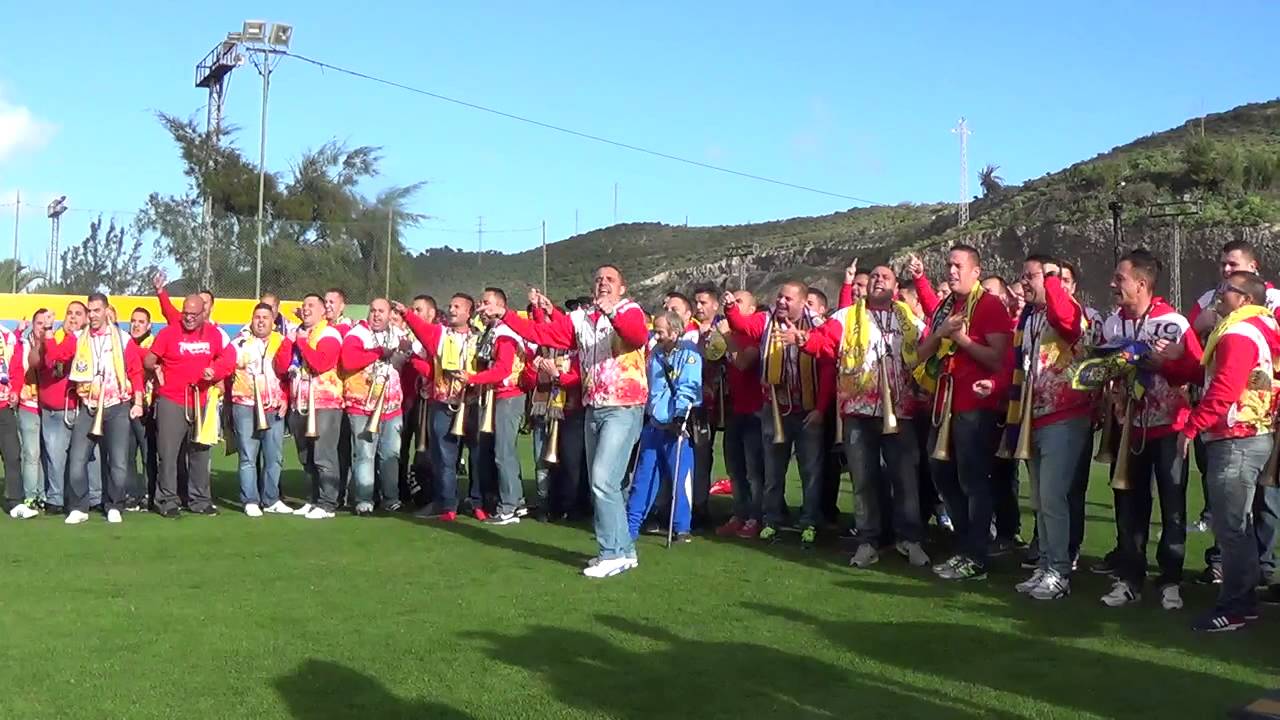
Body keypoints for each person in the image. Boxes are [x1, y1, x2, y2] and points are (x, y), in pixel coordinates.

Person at [491, 265, 650, 578]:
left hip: (624, 405)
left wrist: (612, 314)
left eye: (610, 280)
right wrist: (506, 315)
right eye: (599, 279)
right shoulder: (581, 319)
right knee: (609, 483)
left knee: (603, 480)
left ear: (622, 287)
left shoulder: (631, 310)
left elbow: (636, 336)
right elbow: (545, 333)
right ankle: (623, 551)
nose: (603, 283)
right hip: (594, 406)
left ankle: (609, 552)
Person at [785, 264, 929, 568]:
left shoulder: (909, 320)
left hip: (900, 413)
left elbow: (928, 348)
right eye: (874, 276)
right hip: (857, 411)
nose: (878, 280)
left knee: (905, 480)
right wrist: (804, 341)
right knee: (863, 480)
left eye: (885, 277)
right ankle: (868, 541)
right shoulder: (846, 316)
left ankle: (910, 539)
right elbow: (824, 343)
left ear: (896, 286)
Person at [1098, 248, 1198, 609]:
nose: (1113, 284)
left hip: (1170, 428)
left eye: (1119, 278)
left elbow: (1197, 372)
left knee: (1173, 508)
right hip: (1129, 431)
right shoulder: (1112, 324)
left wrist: (1167, 364)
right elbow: (1101, 368)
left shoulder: (1175, 324)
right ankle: (1129, 577)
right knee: (1128, 506)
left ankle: (1170, 579)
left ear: (1141, 284)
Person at [1179, 271, 1278, 631]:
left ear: (1245, 299)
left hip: (1236, 438)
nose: (1218, 295)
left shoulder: (1238, 333)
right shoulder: (1260, 329)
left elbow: (1223, 389)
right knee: (1241, 525)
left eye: (1226, 290)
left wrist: (1192, 426)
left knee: (1231, 526)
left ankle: (1234, 606)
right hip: (1251, 435)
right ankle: (1245, 601)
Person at [913, 244, 1013, 581]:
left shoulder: (990, 305)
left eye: (958, 265)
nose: (951, 271)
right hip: (943, 405)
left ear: (976, 271)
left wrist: (964, 341)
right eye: (948, 265)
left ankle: (977, 555)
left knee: (973, 481)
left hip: (974, 407)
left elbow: (998, 359)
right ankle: (966, 543)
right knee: (941, 473)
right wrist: (941, 334)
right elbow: (919, 354)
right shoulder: (945, 308)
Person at [1005, 256, 1092, 601]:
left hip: (1064, 415)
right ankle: (1044, 565)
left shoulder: (1066, 307)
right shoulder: (1030, 318)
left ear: (1051, 279)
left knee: (1054, 497)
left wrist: (1053, 282)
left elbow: (1069, 325)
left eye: (1031, 277)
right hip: (1035, 416)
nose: (1024, 283)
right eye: (1023, 276)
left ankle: (1059, 571)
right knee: (1040, 499)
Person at [724, 281, 835, 549]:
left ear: (802, 301)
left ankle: (808, 522)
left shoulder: (818, 323)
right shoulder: (765, 321)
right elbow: (741, 325)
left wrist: (821, 409)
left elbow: (830, 358)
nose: (782, 302)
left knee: (811, 472)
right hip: (774, 410)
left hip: (808, 411)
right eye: (779, 297)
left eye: (788, 299)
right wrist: (729, 308)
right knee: (773, 472)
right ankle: (771, 520)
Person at [46, 295, 145, 525]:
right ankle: (79, 507)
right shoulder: (79, 337)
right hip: (88, 407)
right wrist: (50, 331)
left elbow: (136, 371)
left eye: (96, 310)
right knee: (77, 459)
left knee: (118, 462)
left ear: (106, 310)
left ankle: (114, 505)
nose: (92, 315)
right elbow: (55, 357)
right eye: (89, 311)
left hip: (117, 406)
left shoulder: (122, 338)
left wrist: (138, 401)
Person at [144, 294, 234, 519]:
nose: (189, 318)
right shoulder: (168, 333)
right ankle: (167, 499)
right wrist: (155, 369)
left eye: (194, 314)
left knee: (200, 452)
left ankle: (200, 500)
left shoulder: (215, 334)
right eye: (186, 313)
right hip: (172, 400)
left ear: (204, 313)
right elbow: (149, 359)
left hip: (202, 400)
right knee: (168, 453)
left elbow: (229, 357)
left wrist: (216, 371)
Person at [398, 293, 482, 521]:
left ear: (468, 312)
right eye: (450, 305)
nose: (452, 310)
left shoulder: (481, 337)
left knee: (476, 455)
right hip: (444, 403)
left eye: (457, 306)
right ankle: (447, 505)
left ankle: (478, 502)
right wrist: (406, 314)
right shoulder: (440, 333)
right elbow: (421, 330)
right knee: (444, 457)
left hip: (473, 404)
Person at [626, 311, 702, 542]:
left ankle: (682, 528)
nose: (656, 336)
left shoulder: (689, 355)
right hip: (653, 425)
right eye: (655, 330)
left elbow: (689, 386)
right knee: (643, 478)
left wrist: (680, 416)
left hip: (677, 428)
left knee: (680, 479)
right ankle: (630, 526)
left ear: (675, 331)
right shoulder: (655, 354)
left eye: (660, 331)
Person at [275, 293, 345, 520]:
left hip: (325, 403)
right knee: (306, 456)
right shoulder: (299, 333)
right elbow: (282, 366)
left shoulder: (329, 334)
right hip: (300, 402)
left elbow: (321, 363)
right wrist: (290, 340)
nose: (305, 309)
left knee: (324, 455)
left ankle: (328, 503)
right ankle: (314, 499)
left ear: (323, 311)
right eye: (304, 305)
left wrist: (302, 342)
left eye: (311, 305)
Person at [340, 298, 409, 516]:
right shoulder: (357, 333)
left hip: (391, 406)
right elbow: (349, 361)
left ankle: (391, 498)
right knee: (364, 454)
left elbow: (410, 360)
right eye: (373, 310)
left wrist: (403, 353)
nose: (376, 315)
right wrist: (379, 352)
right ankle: (364, 500)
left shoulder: (399, 334)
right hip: (362, 406)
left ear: (390, 314)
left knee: (391, 454)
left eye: (381, 311)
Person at [523, 295, 586, 521]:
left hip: (570, 410)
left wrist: (556, 375)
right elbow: (527, 382)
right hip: (543, 410)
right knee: (542, 459)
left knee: (569, 462)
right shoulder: (542, 350)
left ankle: (569, 505)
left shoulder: (576, 350)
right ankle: (544, 503)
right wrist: (534, 368)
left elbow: (578, 379)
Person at [229, 303, 292, 517]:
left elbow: (288, 375)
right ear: (252, 319)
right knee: (248, 455)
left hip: (274, 407)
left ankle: (271, 498)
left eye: (266, 317)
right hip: (245, 405)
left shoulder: (282, 342)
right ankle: (250, 500)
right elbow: (226, 369)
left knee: (274, 456)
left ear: (273, 320)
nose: (261, 321)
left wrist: (286, 398)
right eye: (257, 317)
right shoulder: (239, 343)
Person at [714, 291, 766, 539]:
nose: (731, 305)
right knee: (735, 468)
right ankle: (739, 513)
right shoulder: (730, 336)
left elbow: (744, 363)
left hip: (755, 411)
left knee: (755, 470)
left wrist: (726, 336)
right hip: (734, 410)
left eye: (739, 302)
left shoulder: (755, 337)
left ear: (752, 309)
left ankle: (757, 516)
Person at [35, 301, 88, 515]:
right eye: (69, 313)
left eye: (78, 314)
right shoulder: (61, 338)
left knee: (69, 457)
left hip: (69, 408)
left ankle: (62, 499)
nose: (72, 318)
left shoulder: (80, 340)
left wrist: (49, 335)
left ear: (85, 319)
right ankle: (58, 497)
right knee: (54, 456)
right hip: (50, 407)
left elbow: (58, 356)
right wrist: (49, 336)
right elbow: (47, 363)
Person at [398, 295, 437, 507]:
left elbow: (433, 370)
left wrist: (412, 356)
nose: (413, 313)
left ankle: (425, 492)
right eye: (412, 309)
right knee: (400, 447)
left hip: (429, 401)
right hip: (405, 401)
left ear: (431, 314)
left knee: (426, 449)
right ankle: (399, 491)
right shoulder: (403, 336)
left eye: (418, 310)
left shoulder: (438, 337)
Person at [10, 311, 49, 518]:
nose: (42, 327)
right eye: (39, 323)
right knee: (31, 453)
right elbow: (15, 367)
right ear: (33, 325)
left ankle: (43, 494)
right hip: (28, 405)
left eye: (46, 323)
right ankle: (30, 496)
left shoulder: (53, 344)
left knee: (45, 453)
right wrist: (16, 392)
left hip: (50, 408)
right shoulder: (23, 345)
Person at [127, 306, 156, 509]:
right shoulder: (123, 341)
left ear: (149, 325)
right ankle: (131, 493)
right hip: (125, 404)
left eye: (141, 322)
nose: (136, 325)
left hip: (147, 405)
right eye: (133, 321)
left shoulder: (153, 343)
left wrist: (128, 348)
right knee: (127, 453)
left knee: (148, 453)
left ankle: (149, 493)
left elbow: (147, 359)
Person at [0, 318, 22, 518]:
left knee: (12, 454)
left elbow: (15, 369)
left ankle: (15, 502)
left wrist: (15, 390)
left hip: (3, 406)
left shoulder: (8, 337)